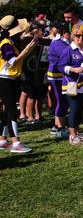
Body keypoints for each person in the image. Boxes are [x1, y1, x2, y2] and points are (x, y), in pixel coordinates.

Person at [0, 16, 37, 153]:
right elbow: (13, 61)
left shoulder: (9, 41)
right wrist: (27, 50)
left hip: (9, 79)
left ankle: (3, 139)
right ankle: (16, 143)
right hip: (5, 79)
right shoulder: (6, 43)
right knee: (11, 111)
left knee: (7, 111)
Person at [57, 24, 83, 146]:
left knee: (81, 108)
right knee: (74, 108)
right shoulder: (68, 50)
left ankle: (77, 131)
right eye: (78, 36)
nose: (80, 39)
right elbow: (60, 66)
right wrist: (73, 70)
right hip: (71, 84)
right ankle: (72, 135)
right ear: (73, 37)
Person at [48, 22, 71, 139]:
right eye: (70, 33)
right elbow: (68, 55)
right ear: (63, 33)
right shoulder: (58, 44)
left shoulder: (64, 43)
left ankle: (57, 126)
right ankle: (59, 127)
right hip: (56, 76)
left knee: (63, 101)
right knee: (62, 101)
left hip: (61, 75)